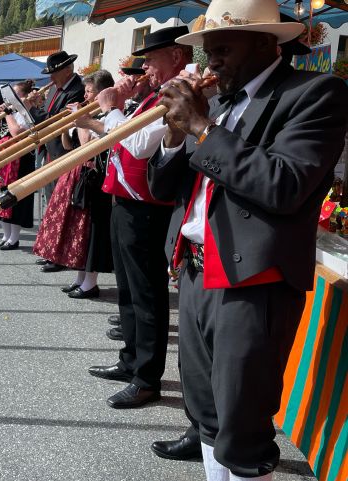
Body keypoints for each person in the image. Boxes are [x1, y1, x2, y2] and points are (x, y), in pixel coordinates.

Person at [149, 1, 347, 478]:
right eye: (207, 50)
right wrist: (176, 137)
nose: (210, 61)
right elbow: (161, 188)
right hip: (195, 271)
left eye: (222, 49)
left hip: (254, 278)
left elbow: (283, 185)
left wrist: (201, 128)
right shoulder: (216, 102)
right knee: (205, 411)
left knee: (243, 424)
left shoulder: (316, 93)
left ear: (265, 43)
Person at [80, 25, 191, 410]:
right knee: (127, 288)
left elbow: (139, 145)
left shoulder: (178, 94)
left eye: (152, 61)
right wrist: (121, 107)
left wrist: (112, 108)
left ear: (177, 57)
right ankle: (130, 360)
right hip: (124, 201)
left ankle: (147, 377)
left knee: (147, 295)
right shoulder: (153, 96)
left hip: (147, 207)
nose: (146, 70)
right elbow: (126, 136)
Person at [33, 70, 115, 297]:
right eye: (87, 91)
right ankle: (80, 278)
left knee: (90, 231)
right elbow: (70, 146)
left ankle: (90, 282)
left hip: (94, 176)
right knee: (76, 228)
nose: (86, 96)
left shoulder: (106, 116)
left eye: (91, 92)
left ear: (103, 93)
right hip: (78, 173)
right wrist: (63, 127)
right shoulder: (89, 114)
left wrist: (80, 121)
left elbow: (88, 144)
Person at [0, 79, 37, 249]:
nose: (9, 99)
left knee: (15, 197)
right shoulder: (11, 110)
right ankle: (6, 235)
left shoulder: (27, 110)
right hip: (3, 155)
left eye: (14, 95)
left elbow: (17, 132)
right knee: (1, 194)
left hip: (19, 158)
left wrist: (9, 113)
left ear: (23, 96)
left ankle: (14, 238)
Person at [28, 50, 85, 231]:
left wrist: (31, 109)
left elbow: (56, 120)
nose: (51, 77)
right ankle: (50, 244)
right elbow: (47, 113)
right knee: (50, 197)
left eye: (54, 72)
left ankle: (57, 248)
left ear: (67, 70)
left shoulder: (78, 89)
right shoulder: (54, 87)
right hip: (49, 149)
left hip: (64, 151)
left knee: (61, 199)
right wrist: (36, 105)